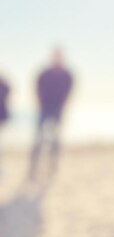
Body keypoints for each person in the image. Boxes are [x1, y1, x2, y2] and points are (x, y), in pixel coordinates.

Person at [29, 48, 73, 181]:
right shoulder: (45, 73)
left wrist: (63, 105)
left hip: (57, 110)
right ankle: (33, 169)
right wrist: (40, 101)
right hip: (44, 109)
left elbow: (69, 91)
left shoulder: (66, 75)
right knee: (39, 139)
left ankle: (52, 167)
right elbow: (36, 87)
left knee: (55, 140)